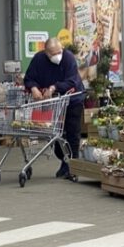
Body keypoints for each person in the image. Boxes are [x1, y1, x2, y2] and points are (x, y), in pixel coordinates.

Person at [24, 37, 85, 179]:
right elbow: (29, 78)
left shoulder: (68, 58)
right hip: (54, 103)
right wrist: (33, 88)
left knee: (72, 134)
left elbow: (72, 81)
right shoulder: (39, 60)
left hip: (72, 99)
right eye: (54, 53)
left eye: (60, 51)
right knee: (56, 134)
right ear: (46, 53)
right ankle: (64, 162)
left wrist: (54, 87)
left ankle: (71, 167)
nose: (58, 55)